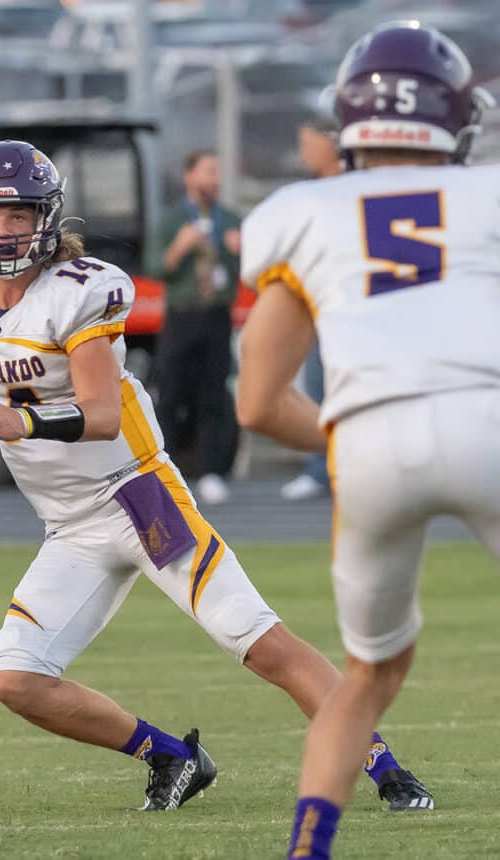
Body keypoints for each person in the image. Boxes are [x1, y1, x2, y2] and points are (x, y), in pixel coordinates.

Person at [0, 139, 432, 814]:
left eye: (17, 215)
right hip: (69, 526)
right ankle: (170, 755)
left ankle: (389, 770)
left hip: (137, 497)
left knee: (260, 644)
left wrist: (25, 425)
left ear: (45, 219)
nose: (2, 230)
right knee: (15, 677)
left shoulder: (77, 293)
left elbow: (102, 415)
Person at [236, 21, 498, 858]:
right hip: (488, 423)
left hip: (370, 446)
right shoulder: (488, 195)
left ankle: (309, 848)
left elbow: (256, 405)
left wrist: (356, 437)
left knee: (368, 679)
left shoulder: (301, 212)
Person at [152, 150, 241, 506]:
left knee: (214, 394)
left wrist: (239, 252)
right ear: (189, 176)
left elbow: (245, 271)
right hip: (181, 315)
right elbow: (156, 267)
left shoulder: (230, 219)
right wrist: (179, 248)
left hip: (217, 314)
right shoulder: (172, 220)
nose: (214, 179)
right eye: (208, 171)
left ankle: (212, 472)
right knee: (171, 393)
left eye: (217, 172)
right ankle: (164, 471)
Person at [278, 115, 341, 502]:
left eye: (308, 142)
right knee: (316, 390)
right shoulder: (307, 193)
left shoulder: (355, 188)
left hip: (355, 309)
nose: (303, 152)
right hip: (318, 307)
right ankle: (321, 471)